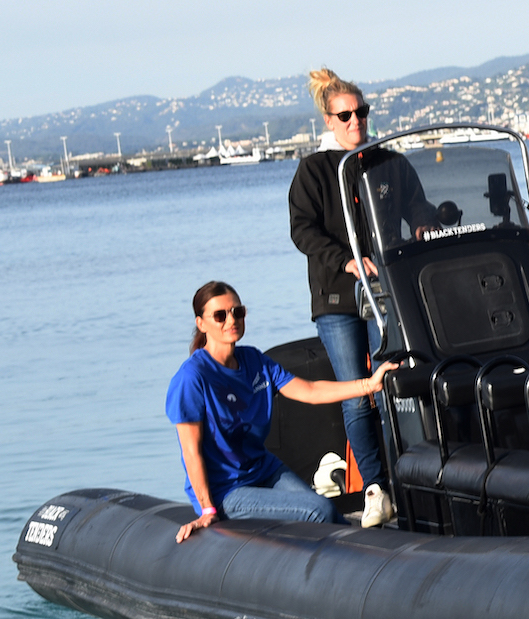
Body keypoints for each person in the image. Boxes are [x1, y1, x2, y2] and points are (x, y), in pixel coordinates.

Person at [287, 67, 429, 527]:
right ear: (328, 120)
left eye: (361, 112)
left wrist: (427, 223)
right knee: (355, 395)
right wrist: (344, 259)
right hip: (337, 299)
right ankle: (375, 488)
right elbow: (302, 231)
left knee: (391, 388)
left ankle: (405, 479)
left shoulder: (388, 162)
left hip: (384, 293)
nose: (355, 122)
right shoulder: (312, 171)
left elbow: (417, 206)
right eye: (345, 115)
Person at [169, 281, 396, 542]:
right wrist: (207, 509)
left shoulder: (253, 360)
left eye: (238, 312)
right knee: (317, 510)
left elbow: (310, 391)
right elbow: (191, 451)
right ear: (201, 324)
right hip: (226, 489)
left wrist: (368, 384)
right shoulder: (192, 378)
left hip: (263, 469)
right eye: (220, 315)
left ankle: (369, 554)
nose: (231, 320)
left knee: (327, 510)